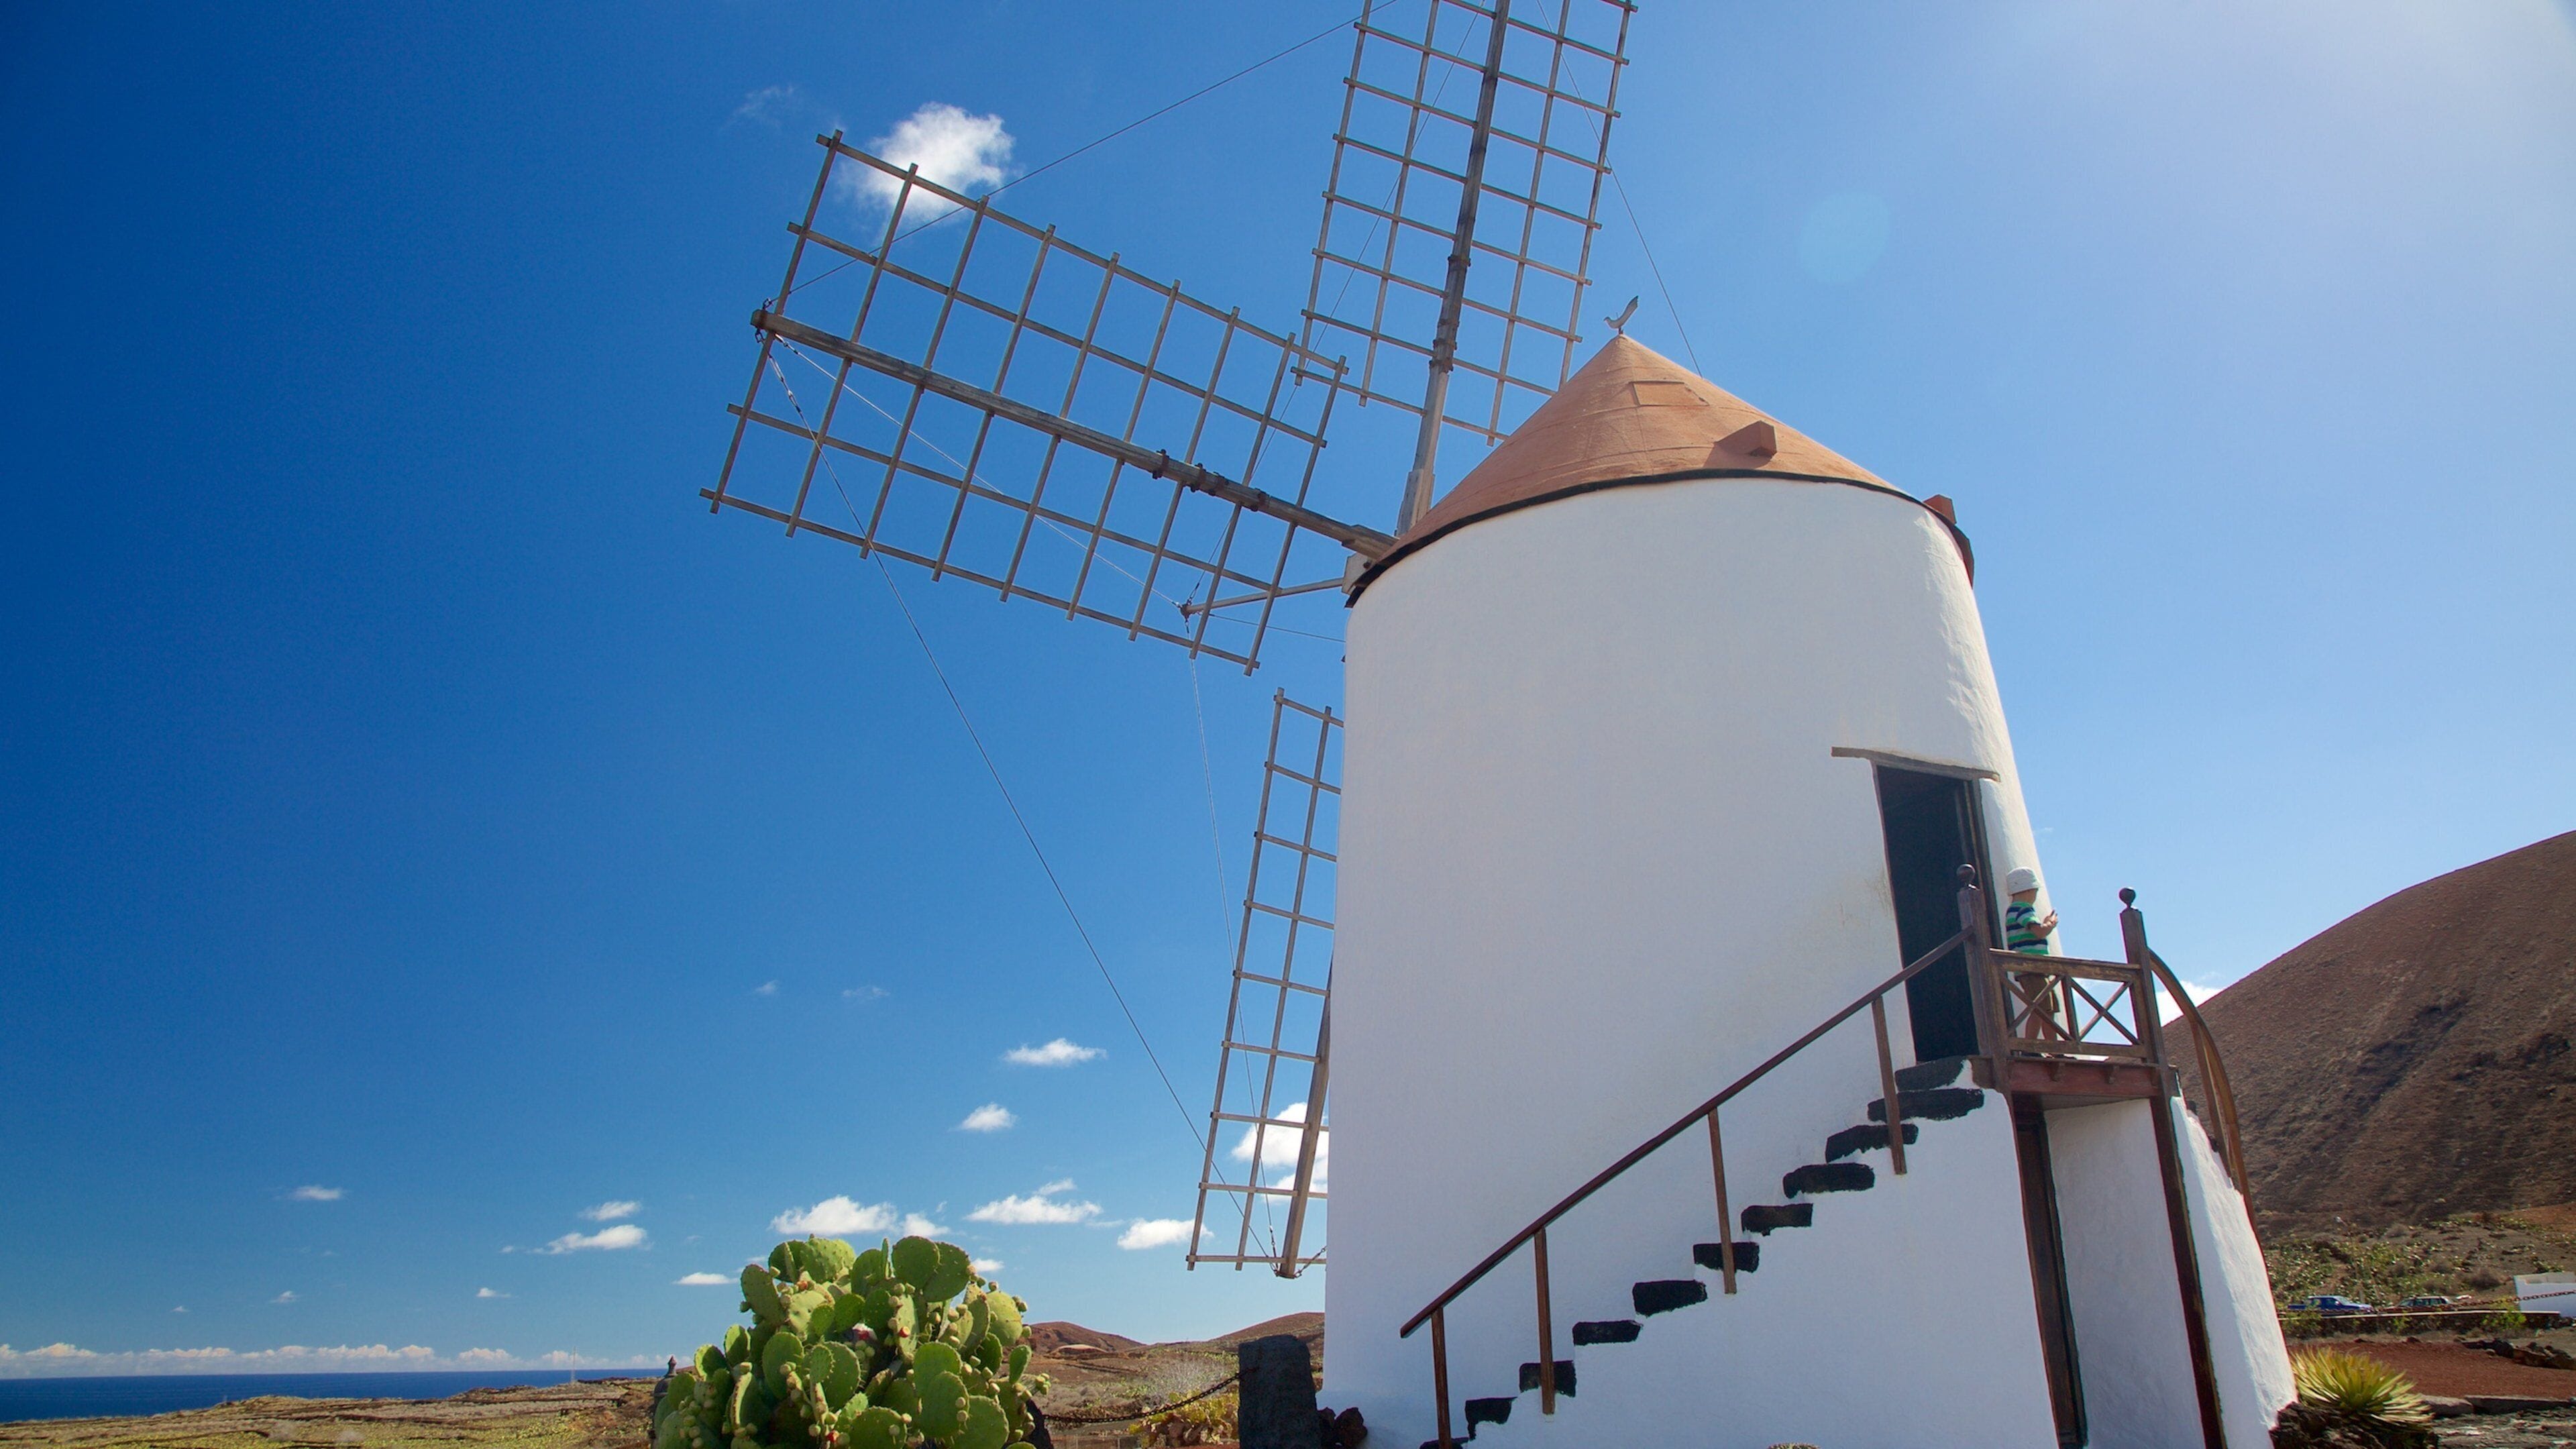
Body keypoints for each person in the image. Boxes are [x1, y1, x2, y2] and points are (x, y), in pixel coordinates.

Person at [2003, 867, 2057, 955]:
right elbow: (2040, 933)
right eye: (2036, 891)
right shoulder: (2024, 909)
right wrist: (2050, 924)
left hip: (2020, 963)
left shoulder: (2012, 911)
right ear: (2028, 890)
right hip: (2033, 962)